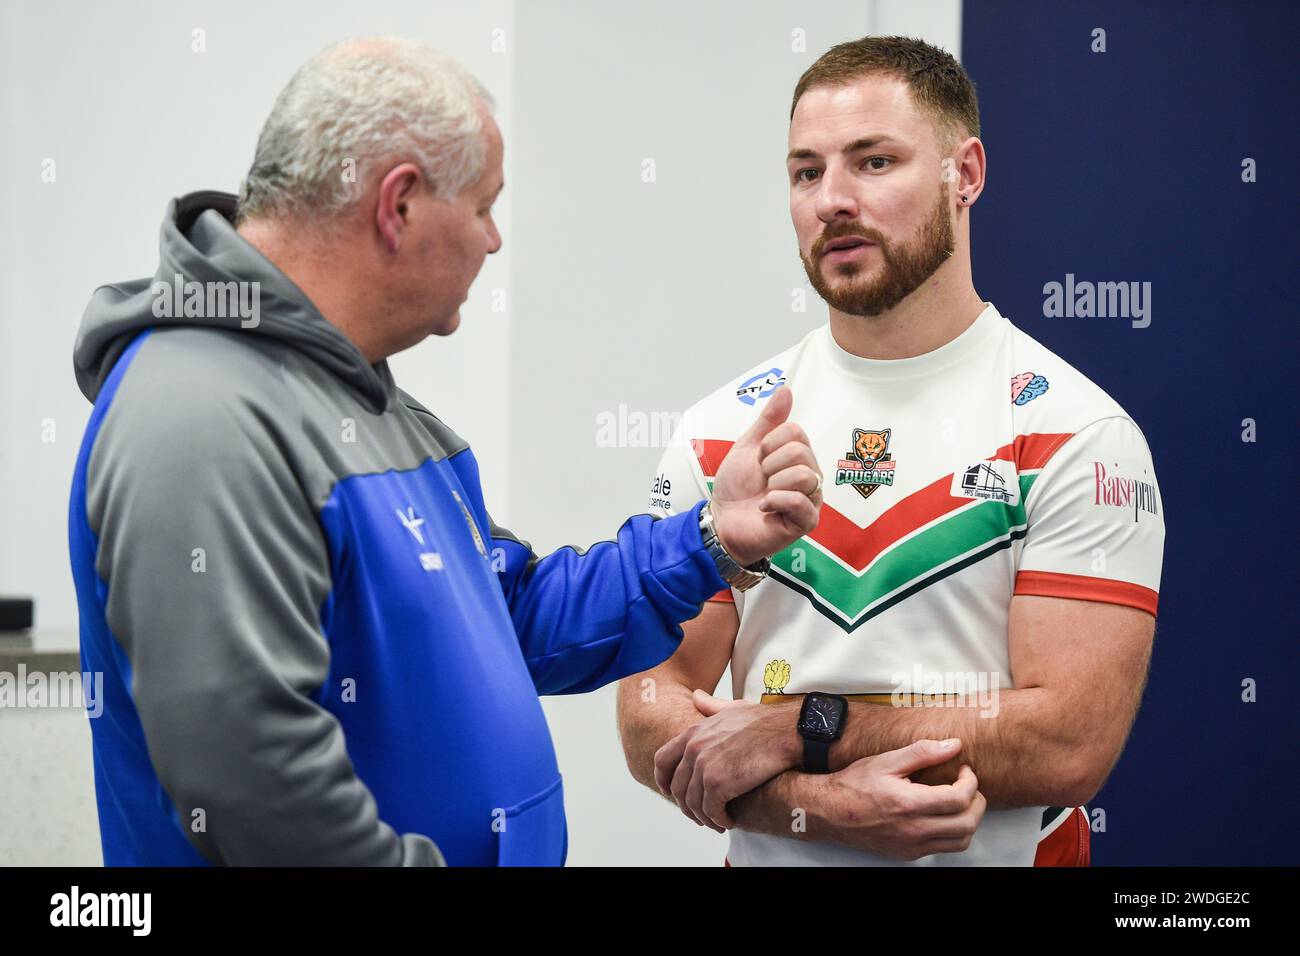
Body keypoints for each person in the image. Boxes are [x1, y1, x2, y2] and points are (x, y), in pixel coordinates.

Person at [67, 37, 823, 866]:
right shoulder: (201, 415)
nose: (494, 241)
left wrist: (713, 538)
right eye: (483, 207)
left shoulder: (369, 403)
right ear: (398, 205)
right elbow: (256, 792)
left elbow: (517, 617)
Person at [618, 35, 1165, 866]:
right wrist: (820, 804)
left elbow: (1067, 745)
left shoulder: (1080, 435)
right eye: (807, 172)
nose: (832, 199)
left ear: (965, 174)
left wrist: (803, 727)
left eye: (873, 162)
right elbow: (652, 704)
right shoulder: (724, 431)